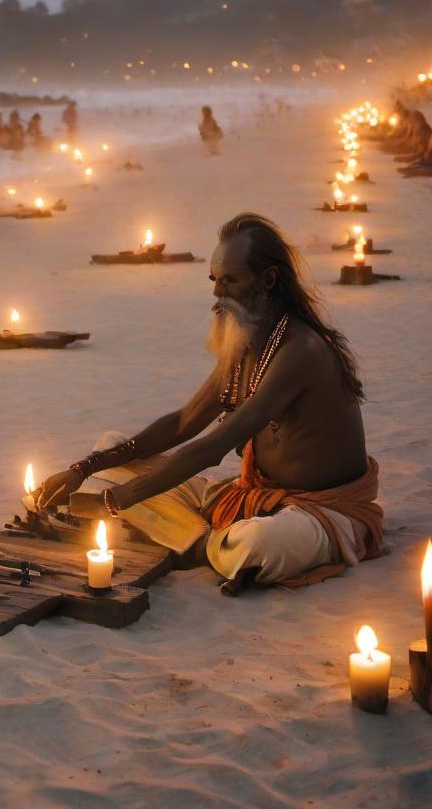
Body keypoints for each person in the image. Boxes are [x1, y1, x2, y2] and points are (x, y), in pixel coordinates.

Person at [35, 213, 384, 593]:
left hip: (318, 512)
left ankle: (199, 544)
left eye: (230, 281)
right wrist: (83, 469)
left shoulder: (301, 349)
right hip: (247, 497)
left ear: (267, 280)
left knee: (257, 544)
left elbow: (213, 447)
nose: (218, 294)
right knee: (111, 445)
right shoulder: (247, 342)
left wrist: (115, 502)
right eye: (214, 281)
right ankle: (202, 539)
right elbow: (183, 423)